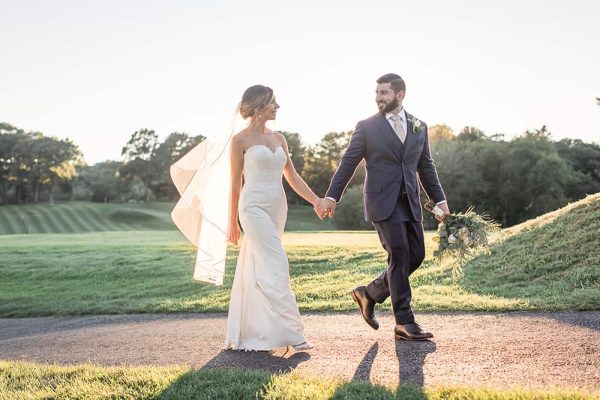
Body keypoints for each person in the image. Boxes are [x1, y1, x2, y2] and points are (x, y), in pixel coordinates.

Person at [315, 73, 450, 341]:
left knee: (416, 256)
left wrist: (441, 201)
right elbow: (348, 162)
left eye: (384, 93)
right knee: (399, 255)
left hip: (410, 201)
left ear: (400, 95)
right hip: (382, 201)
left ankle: (369, 294)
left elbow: (426, 166)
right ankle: (404, 321)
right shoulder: (367, 127)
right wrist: (332, 196)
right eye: (377, 93)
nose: (379, 98)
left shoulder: (419, 126)